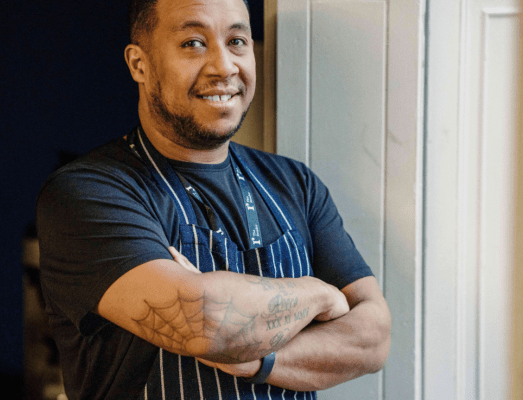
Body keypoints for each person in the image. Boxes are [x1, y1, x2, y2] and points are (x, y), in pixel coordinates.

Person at [35, 0, 391, 398]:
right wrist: (320, 294)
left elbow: (373, 338)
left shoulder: (296, 184)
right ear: (139, 64)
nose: (224, 67)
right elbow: (203, 323)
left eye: (237, 41)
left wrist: (255, 359)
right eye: (193, 43)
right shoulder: (88, 192)